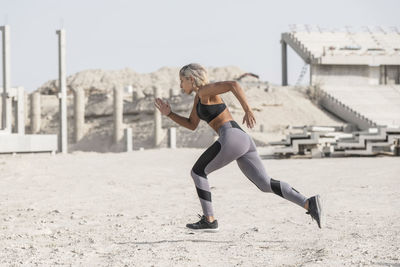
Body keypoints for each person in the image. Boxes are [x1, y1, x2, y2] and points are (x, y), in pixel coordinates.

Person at [154, 63, 322, 232]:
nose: (180, 85)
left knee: (198, 172)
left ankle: (209, 219)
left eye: (182, 80)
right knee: (265, 184)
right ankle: (309, 203)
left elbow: (233, 85)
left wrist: (247, 110)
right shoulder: (199, 97)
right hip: (242, 139)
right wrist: (169, 114)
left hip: (231, 136)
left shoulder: (204, 90)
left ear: (191, 79)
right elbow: (192, 124)